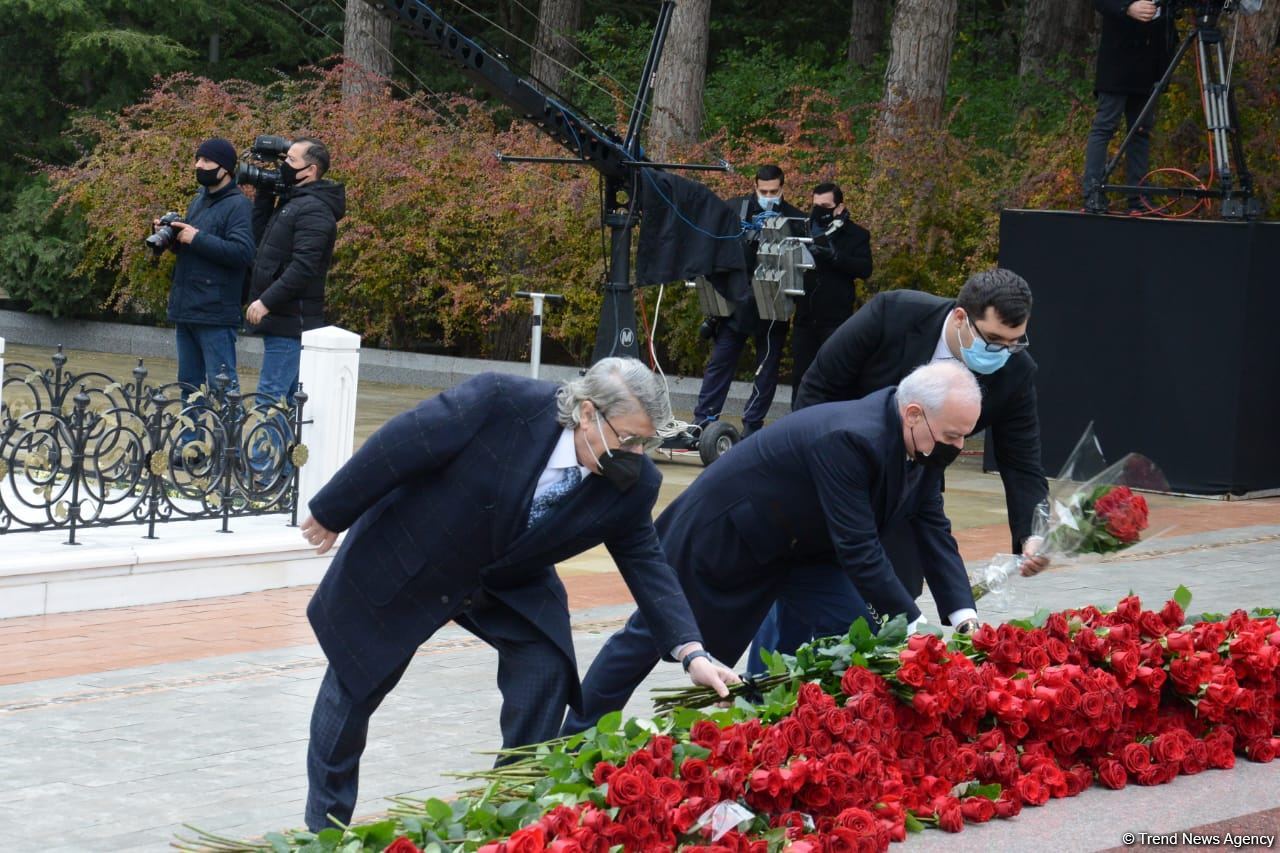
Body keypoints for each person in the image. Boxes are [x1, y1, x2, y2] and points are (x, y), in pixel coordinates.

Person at [299, 358, 738, 831]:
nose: (634, 452)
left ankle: (504, 816)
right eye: (627, 438)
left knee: (545, 668)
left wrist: (692, 652)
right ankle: (324, 832)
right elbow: (403, 442)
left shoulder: (631, 482)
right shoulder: (499, 402)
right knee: (354, 686)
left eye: (644, 442)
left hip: (510, 577)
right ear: (587, 413)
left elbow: (647, 564)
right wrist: (333, 510)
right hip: (423, 551)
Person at [563, 361, 981, 734]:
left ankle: (767, 726)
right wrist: (915, 628)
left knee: (862, 629)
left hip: (803, 551)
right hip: (726, 533)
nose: (959, 447)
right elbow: (859, 548)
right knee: (649, 634)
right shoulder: (853, 438)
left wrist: (965, 618)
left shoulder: (923, 448)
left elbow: (934, 529)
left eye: (965, 437)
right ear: (913, 414)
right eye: (953, 435)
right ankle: (572, 735)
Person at [748, 269, 1049, 673]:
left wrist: (1034, 534)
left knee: (893, 598)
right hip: (832, 469)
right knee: (811, 588)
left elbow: (1022, 462)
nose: (1001, 353)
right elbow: (819, 386)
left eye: (1015, 343)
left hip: (915, 484)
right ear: (961, 318)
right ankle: (768, 682)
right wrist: (819, 476)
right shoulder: (893, 315)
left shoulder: (1014, 372)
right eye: (993, 340)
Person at [677, 165, 806, 444]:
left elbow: (804, 262)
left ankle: (752, 426)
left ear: (783, 188)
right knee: (720, 364)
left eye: (774, 191)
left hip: (774, 308)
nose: (769, 196)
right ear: (755, 186)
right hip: (737, 303)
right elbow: (709, 242)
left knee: (766, 370)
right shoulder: (735, 210)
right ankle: (703, 421)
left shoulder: (796, 218)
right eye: (764, 191)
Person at [245, 137, 345, 406]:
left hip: (291, 322)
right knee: (286, 402)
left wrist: (266, 301)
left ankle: (263, 451)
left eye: (290, 160)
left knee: (269, 400)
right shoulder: (294, 202)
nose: (283, 166)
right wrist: (265, 193)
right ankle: (287, 449)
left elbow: (303, 268)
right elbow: (259, 238)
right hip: (283, 319)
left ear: (310, 171)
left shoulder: (314, 210)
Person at [162, 137, 256, 401]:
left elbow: (243, 252)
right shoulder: (198, 200)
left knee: (223, 387)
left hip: (215, 313)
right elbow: (194, 247)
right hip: (186, 308)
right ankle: (191, 442)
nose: (198, 165)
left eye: (206, 161)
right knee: (189, 387)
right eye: (198, 159)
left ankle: (228, 442)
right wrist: (172, 238)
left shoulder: (238, 205)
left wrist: (197, 237)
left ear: (225, 168)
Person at [1082, 0, 1175, 214]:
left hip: (1151, 60)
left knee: (1141, 131)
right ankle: (1093, 193)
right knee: (1105, 126)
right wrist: (1128, 8)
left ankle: (1138, 197)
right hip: (1118, 59)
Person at [790, 182, 873, 404]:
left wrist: (835, 257)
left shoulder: (856, 235)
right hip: (805, 317)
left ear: (839, 206)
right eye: (815, 205)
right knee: (800, 376)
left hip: (836, 319)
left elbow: (865, 269)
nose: (819, 211)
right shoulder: (804, 229)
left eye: (825, 206)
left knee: (834, 376)